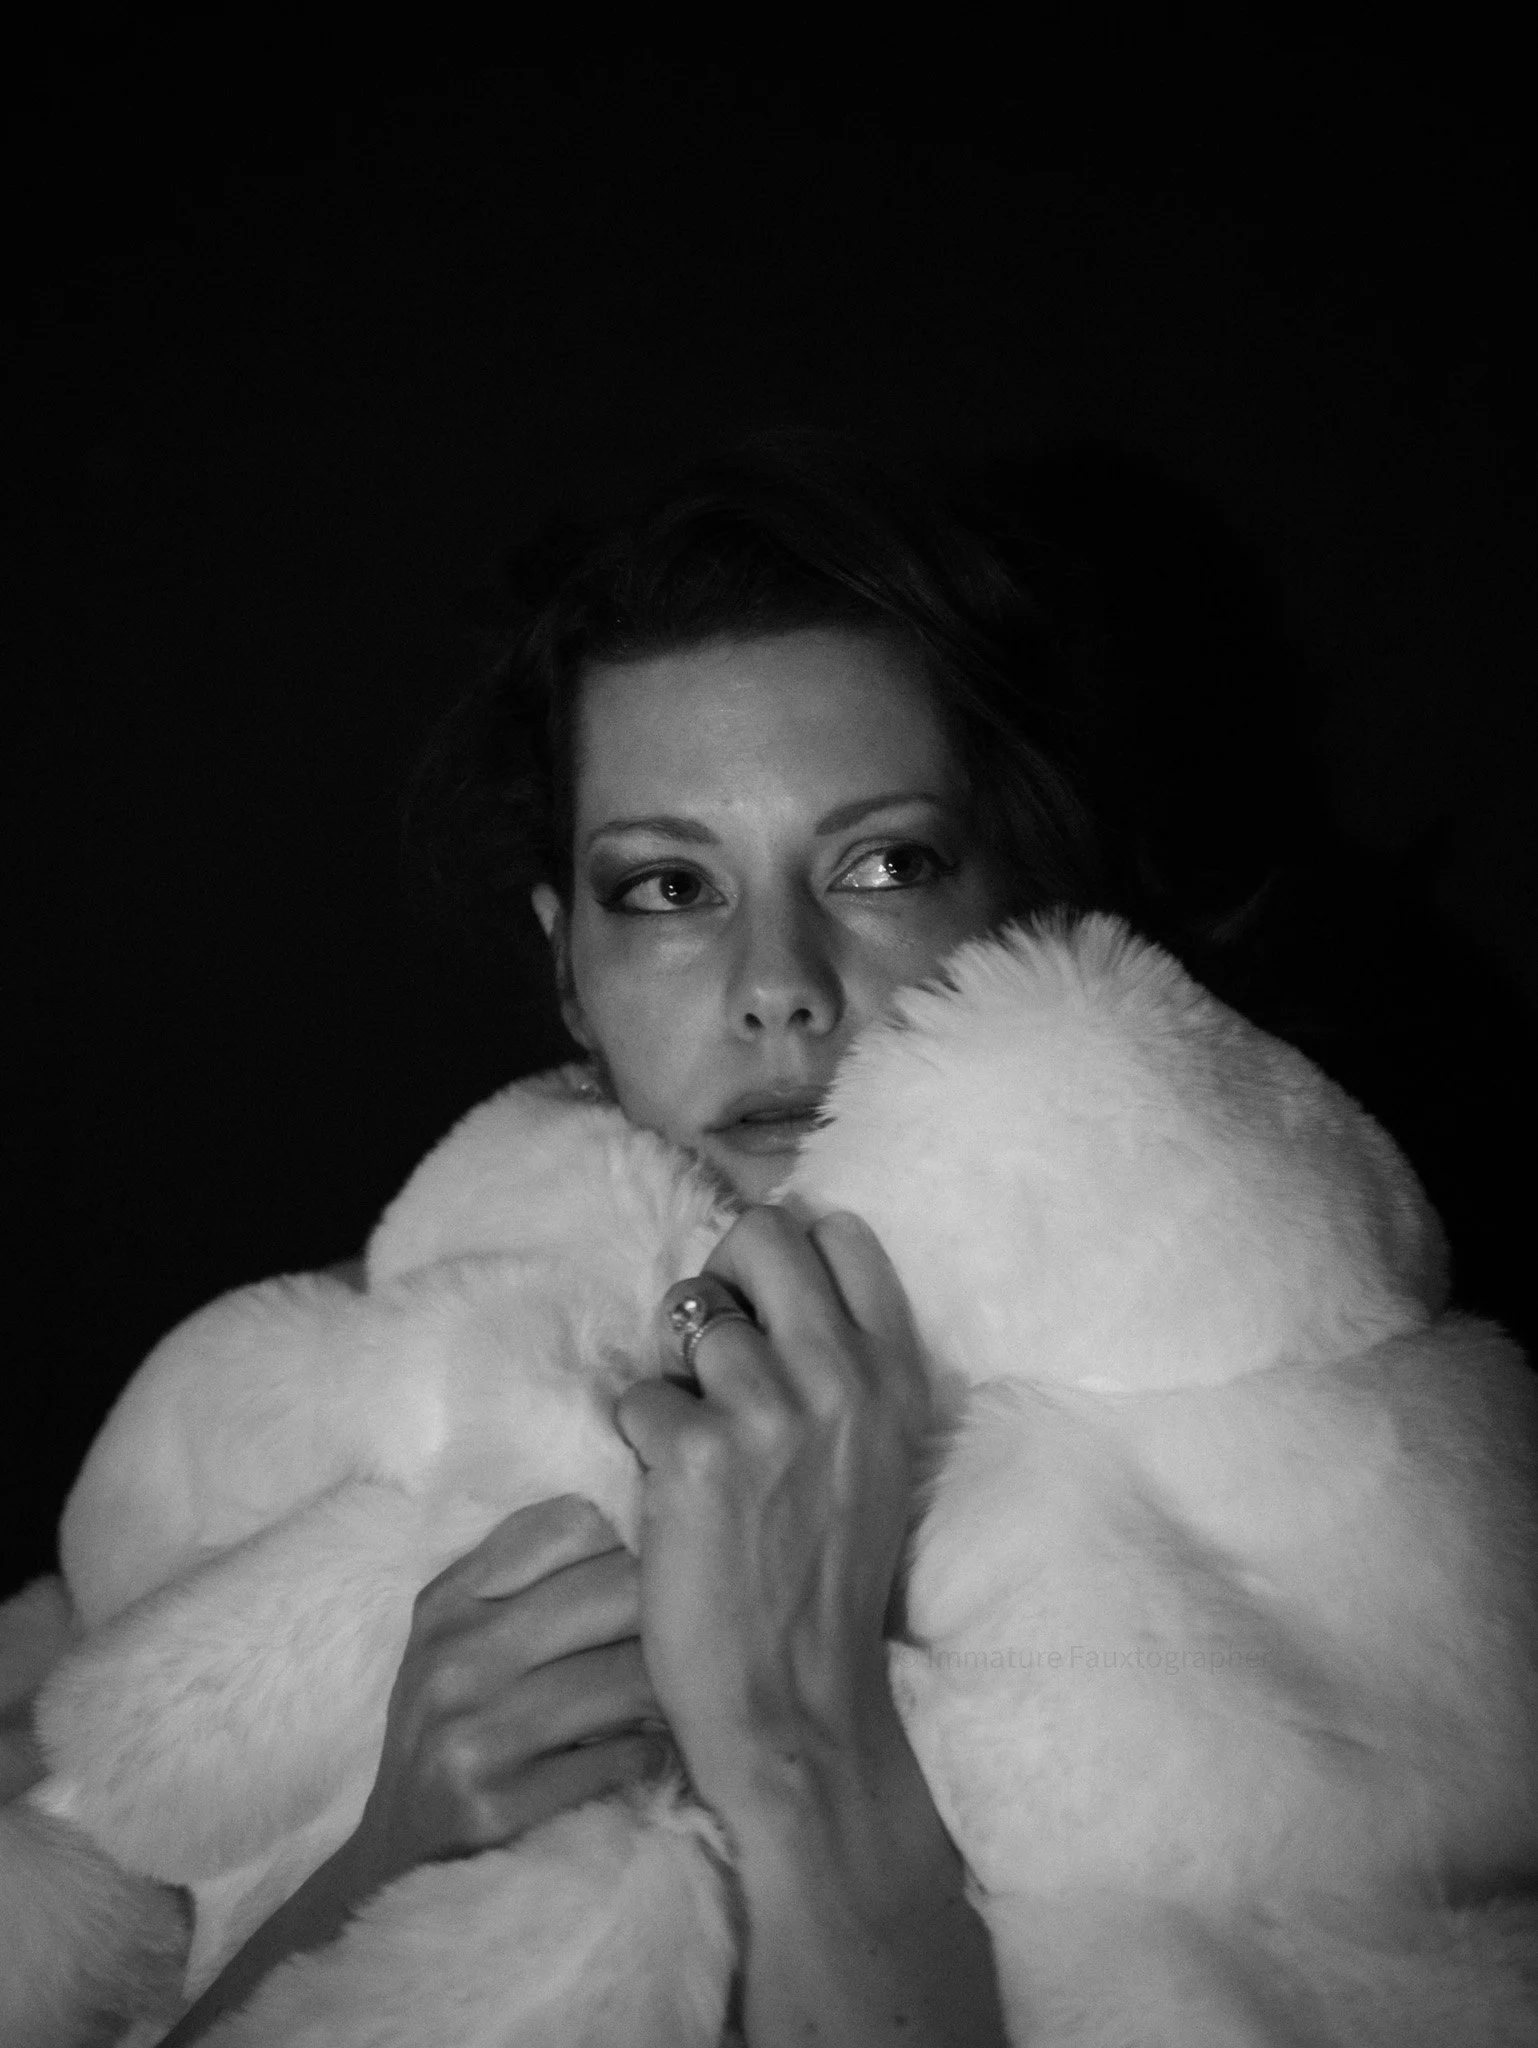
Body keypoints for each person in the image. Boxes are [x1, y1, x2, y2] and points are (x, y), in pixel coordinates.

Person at [146, 432, 1111, 2044]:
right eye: (668, 885)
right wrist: (384, 1862)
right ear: (566, 966)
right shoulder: (284, 1409)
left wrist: (809, 1753)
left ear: (1013, 903)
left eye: (880, 862)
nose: (776, 979)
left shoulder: (1291, 1457)